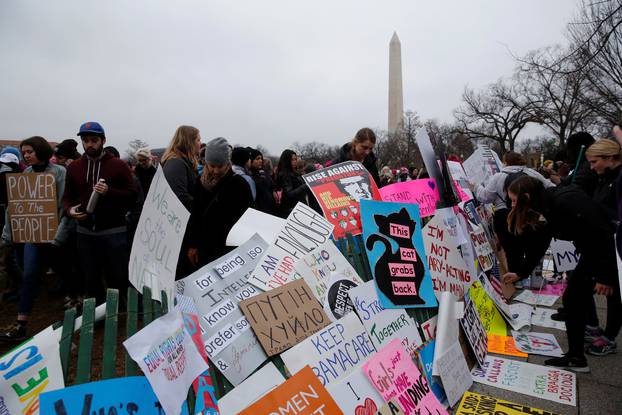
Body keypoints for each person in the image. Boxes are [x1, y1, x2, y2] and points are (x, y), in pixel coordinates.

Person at [503, 176, 616, 372]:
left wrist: (605, 277)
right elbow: (541, 242)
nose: (512, 205)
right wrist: (521, 273)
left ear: (526, 196)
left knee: (573, 298)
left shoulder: (564, 202)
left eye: (514, 200)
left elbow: (603, 233)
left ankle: (577, 357)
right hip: (589, 250)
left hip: (603, 251)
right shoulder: (547, 206)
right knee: (573, 299)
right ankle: (576, 356)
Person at [62, 122, 136, 304]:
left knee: (117, 275)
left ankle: (119, 311)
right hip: (85, 233)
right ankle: (98, 315)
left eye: (94, 140)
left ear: (103, 140)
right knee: (91, 276)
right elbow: (67, 197)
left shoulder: (118, 165)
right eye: (85, 140)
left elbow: (133, 195)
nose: (89, 144)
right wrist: (70, 210)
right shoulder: (74, 167)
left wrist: (109, 192)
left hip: (113, 231)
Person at [0, 137, 66, 341]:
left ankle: (73, 318)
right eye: (24, 152)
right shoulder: (25, 175)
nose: (26, 156)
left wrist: (60, 235)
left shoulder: (59, 172)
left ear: (41, 150)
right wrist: (7, 234)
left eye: (30, 151)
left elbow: (63, 204)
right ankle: (21, 323)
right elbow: (15, 207)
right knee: (29, 276)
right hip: (33, 236)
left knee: (66, 274)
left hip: (55, 236)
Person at [475, 151, 554, 280]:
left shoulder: (498, 176)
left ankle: (517, 276)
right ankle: (531, 275)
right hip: (529, 214)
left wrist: (476, 187)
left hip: (504, 216)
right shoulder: (532, 173)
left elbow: (485, 196)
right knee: (531, 245)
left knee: (512, 249)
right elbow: (550, 186)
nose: (513, 204)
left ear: (505, 162)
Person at [581, 139, 622, 355]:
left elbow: (612, 222)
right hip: (603, 247)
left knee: (614, 294)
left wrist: (606, 275)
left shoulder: (617, 182)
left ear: (609, 158)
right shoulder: (604, 178)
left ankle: (609, 337)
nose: (591, 166)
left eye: (595, 161)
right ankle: (603, 331)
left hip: (614, 249)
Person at [187, 138, 252, 266]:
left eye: (220, 166)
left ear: (228, 163)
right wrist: (193, 244)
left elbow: (247, 219)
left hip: (229, 251)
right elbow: (195, 215)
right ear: (206, 163)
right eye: (212, 166)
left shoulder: (239, 184)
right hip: (205, 250)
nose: (215, 171)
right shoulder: (200, 182)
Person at [161, 125, 201, 278]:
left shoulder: (183, 162)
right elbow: (179, 197)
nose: (200, 143)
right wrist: (202, 206)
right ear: (189, 141)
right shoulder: (176, 163)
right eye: (198, 139)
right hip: (180, 233)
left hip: (184, 229)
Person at [276, 149, 310, 218]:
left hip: (297, 207)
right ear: (286, 161)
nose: (295, 162)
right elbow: (290, 194)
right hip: (291, 210)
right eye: (292, 160)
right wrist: (306, 185)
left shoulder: (294, 172)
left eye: (295, 159)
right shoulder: (285, 174)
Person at [248, 148, 277, 215]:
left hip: (270, 209)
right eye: (257, 159)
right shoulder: (250, 175)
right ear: (251, 160)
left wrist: (273, 190)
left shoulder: (263, 172)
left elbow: (272, 185)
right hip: (259, 211)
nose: (260, 161)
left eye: (261, 158)